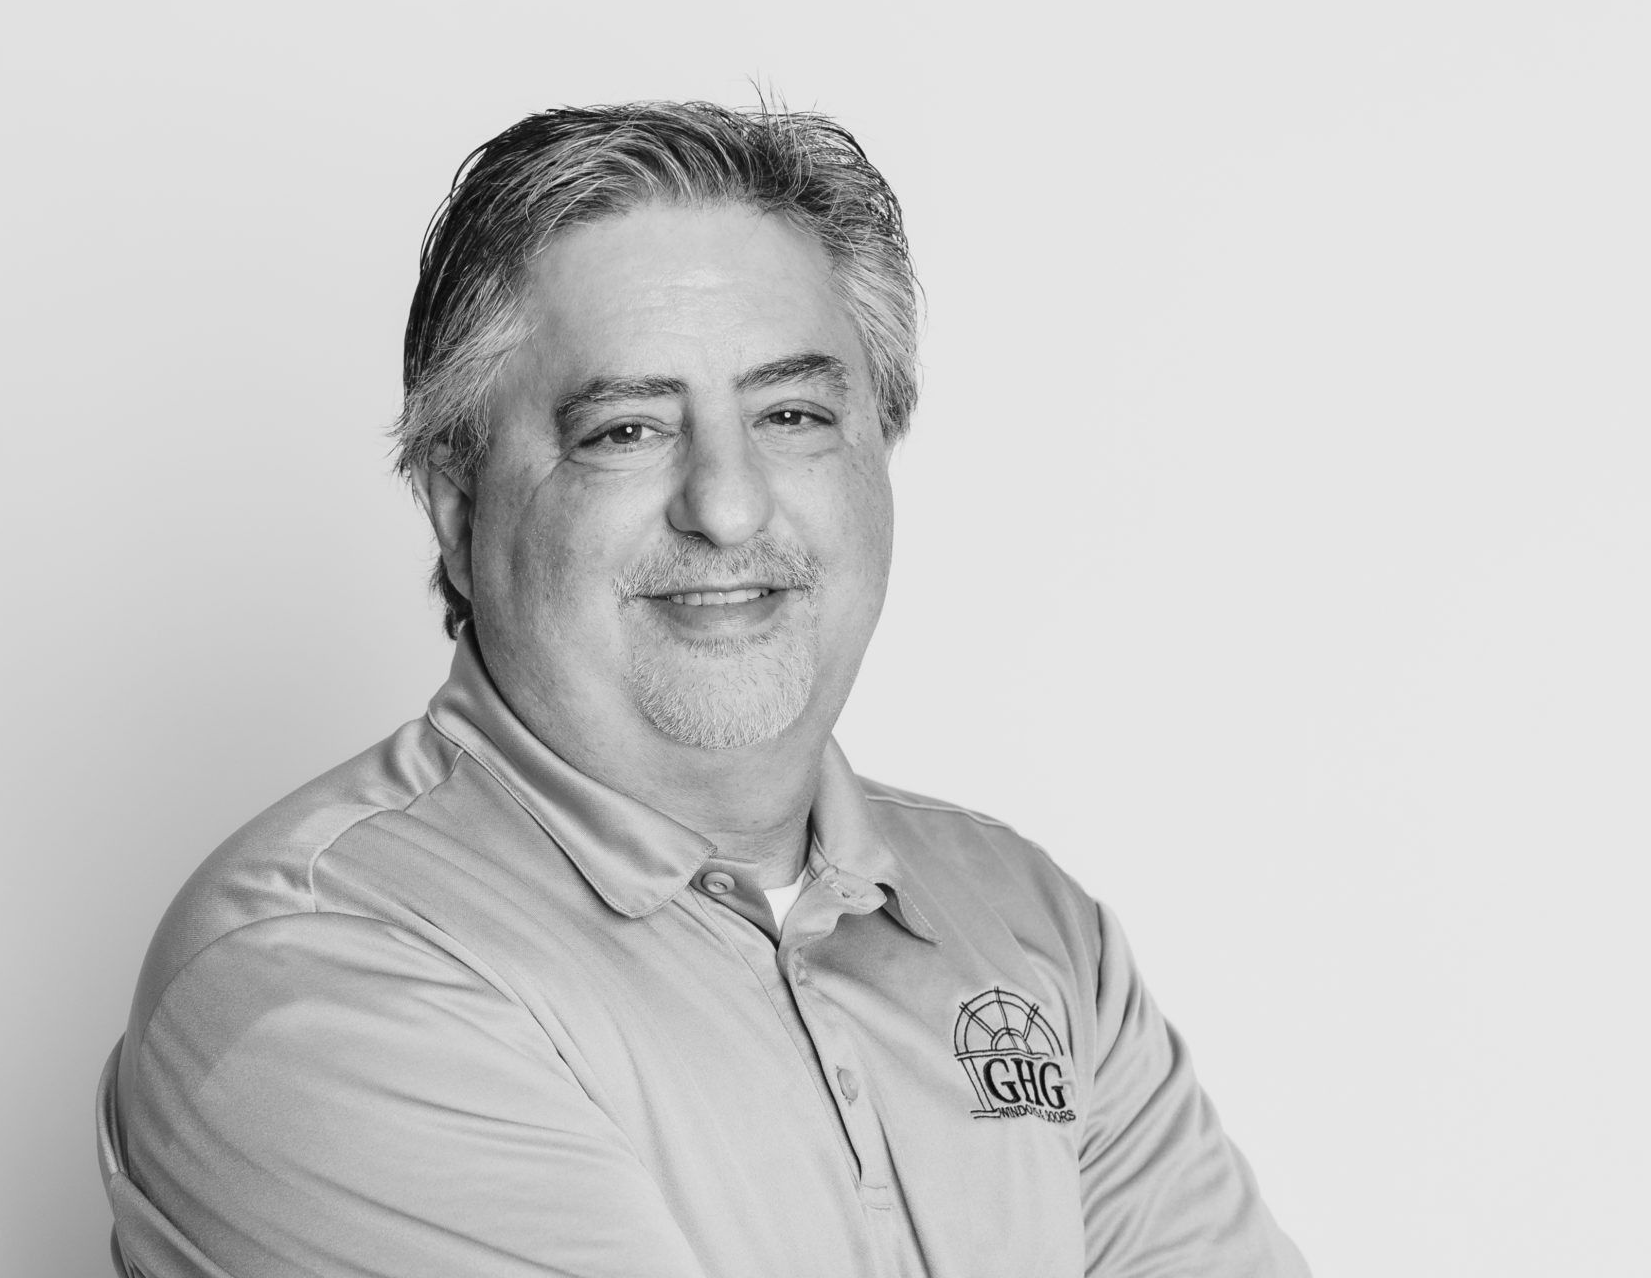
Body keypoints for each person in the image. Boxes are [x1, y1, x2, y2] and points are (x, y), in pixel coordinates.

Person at [96, 100, 1310, 1278]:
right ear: (458, 510)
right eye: (626, 429)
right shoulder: (317, 969)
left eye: (792, 413)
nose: (727, 505)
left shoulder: (1035, 927)